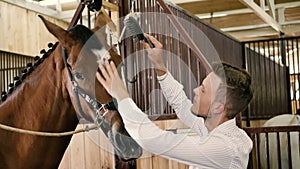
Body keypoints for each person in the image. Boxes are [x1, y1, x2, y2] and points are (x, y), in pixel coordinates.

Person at [96, 34, 254, 169]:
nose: (195, 90)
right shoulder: (211, 126)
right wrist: (158, 64)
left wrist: (121, 94)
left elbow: (155, 140)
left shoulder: (226, 148)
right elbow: (180, 103)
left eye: (203, 90)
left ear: (218, 107)